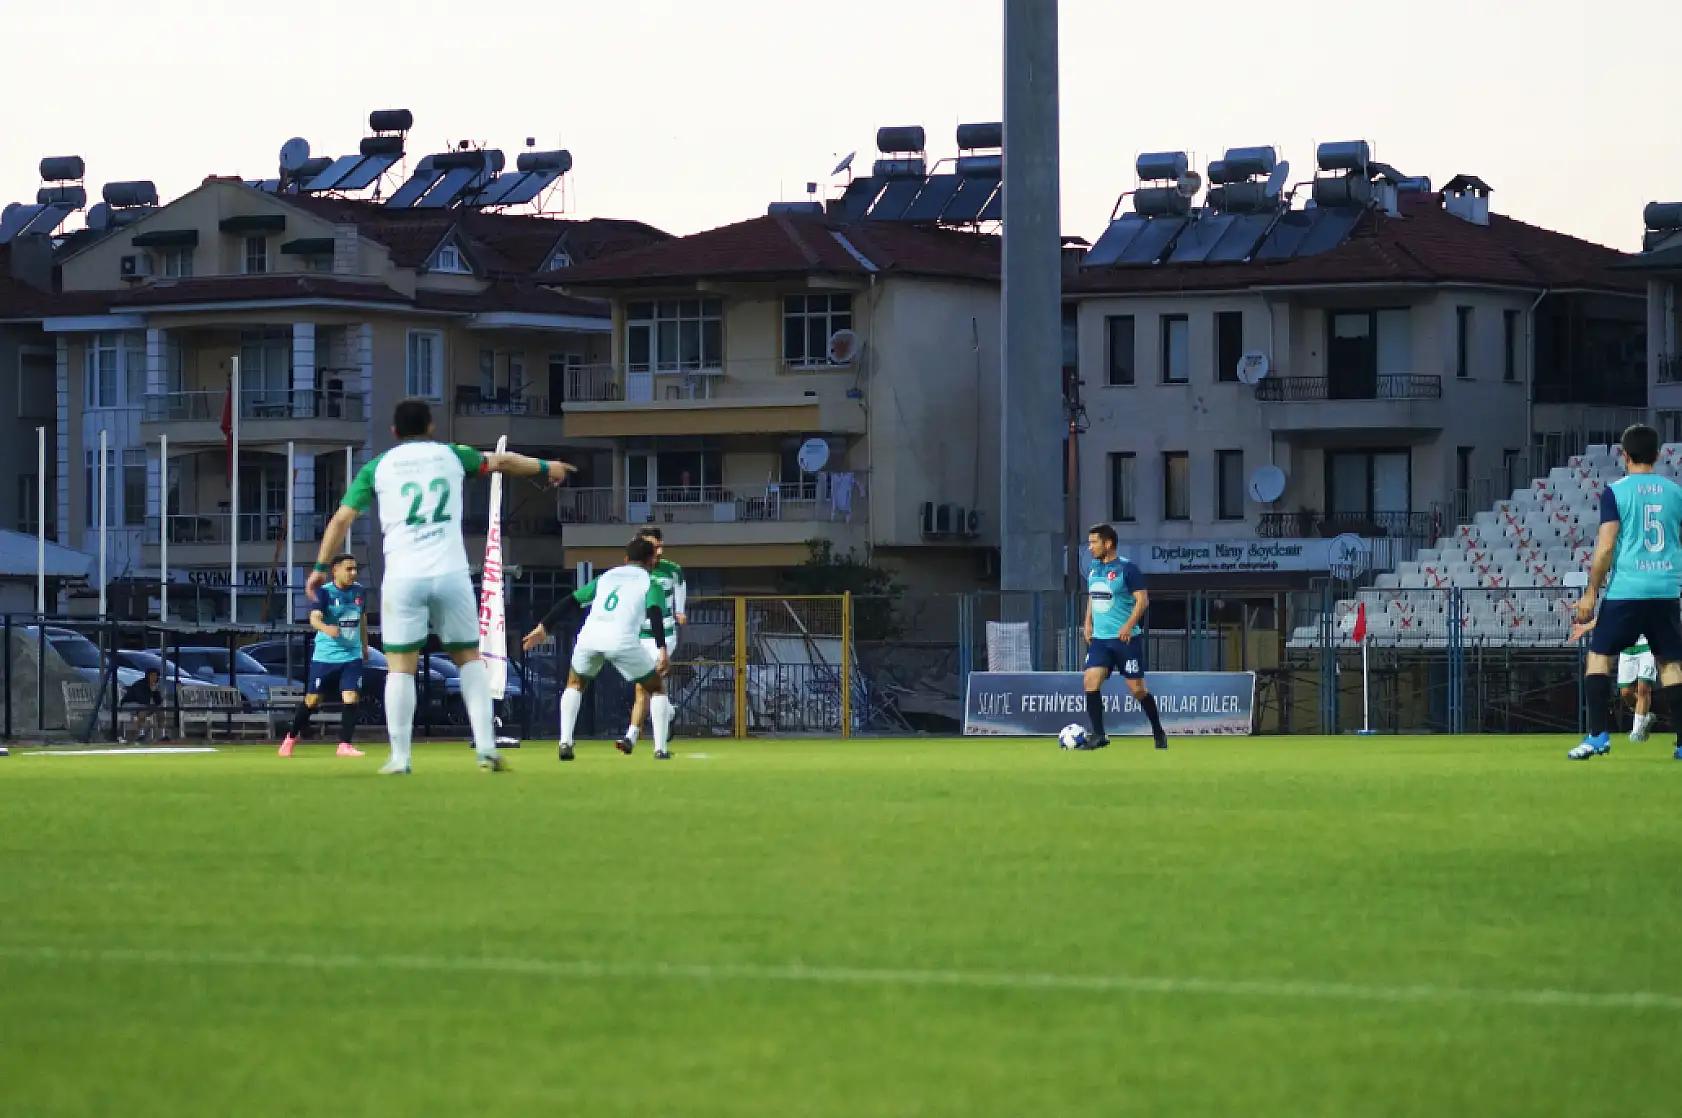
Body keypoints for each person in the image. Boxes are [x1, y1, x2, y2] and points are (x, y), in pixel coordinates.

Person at [308, 398, 574, 775]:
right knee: (469, 660)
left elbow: (341, 520)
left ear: (394, 432)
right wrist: (548, 466)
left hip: (402, 577)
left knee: (400, 668)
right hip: (450, 574)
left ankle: (400, 758)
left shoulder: (377, 467)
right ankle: (485, 747)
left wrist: (321, 567)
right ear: (431, 427)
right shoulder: (453, 456)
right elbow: (502, 461)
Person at [1571, 423, 1682, 761]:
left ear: (1624, 455)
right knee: (1672, 664)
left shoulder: (1615, 492)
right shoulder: (1675, 491)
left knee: (1599, 657)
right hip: (1665, 588)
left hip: (1627, 589)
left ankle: (1597, 736)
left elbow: (1606, 547)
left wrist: (1591, 591)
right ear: (1658, 455)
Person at [522, 536, 672, 761]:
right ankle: (660, 749)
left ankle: (565, 742)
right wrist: (662, 648)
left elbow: (572, 600)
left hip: (590, 637)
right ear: (652, 560)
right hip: (622, 639)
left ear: (625, 559)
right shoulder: (651, 583)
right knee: (656, 687)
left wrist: (544, 626)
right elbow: (655, 614)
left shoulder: (606, 576)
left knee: (575, 683)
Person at [1079, 523, 1169, 751]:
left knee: (1137, 689)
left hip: (1125, 640)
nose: (1090, 547)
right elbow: (1093, 596)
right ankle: (1099, 735)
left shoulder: (1127, 569)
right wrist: (1087, 622)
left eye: (1093, 542)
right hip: (1100, 640)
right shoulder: (1093, 569)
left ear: (1108, 544)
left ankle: (1158, 731)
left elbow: (1142, 600)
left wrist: (1129, 625)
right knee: (1090, 681)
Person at [280, 552, 368, 759]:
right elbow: (314, 618)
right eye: (348, 569)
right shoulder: (325, 593)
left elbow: (362, 619)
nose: (353, 573)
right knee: (312, 700)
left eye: (355, 569)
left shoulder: (360, 592)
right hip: (326, 656)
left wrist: (365, 646)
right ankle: (291, 737)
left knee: (351, 696)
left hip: (351, 655)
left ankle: (344, 745)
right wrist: (326, 628)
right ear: (335, 570)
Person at [617, 527, 685, 755]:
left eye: (659, 546)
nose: (658, 551)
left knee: (646, 686)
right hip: (639, 636)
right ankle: (669, 713)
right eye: (653, 546)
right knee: (644, 688)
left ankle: (634, 738)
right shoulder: (632, 573)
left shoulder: (671, 570)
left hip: (664, 634)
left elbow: (679, 587)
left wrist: (680, 610)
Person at [1569, 619, 1657, 743]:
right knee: (1625, 692)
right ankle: (1643, 716)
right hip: (1627, 649)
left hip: (1648, 646)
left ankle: (1637, 733)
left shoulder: (1648, 601)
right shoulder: (1622, 602)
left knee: (1643, 689)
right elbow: (1606, 615)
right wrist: (1585, 627)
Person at [119, 668, 166, 743]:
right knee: (142, 710)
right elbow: (141, 700)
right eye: (152, 676)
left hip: (144, 705)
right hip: (129, 704)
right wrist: (151, 692)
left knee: (160, 711)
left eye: (156, 676)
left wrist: (155, 692)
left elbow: (158, 702)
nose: (154, 678)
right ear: (147, 676)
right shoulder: (140, 684)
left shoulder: (154, 686)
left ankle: (162, 735)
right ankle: (141, 734)